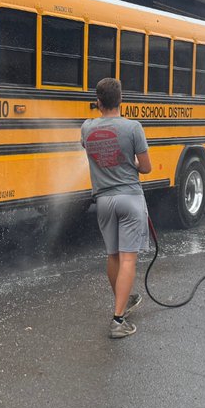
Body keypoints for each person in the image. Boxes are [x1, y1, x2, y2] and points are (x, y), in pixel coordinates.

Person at [81, 77, 152, 339]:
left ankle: (124, 302)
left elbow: (92, 150)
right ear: (121, 100)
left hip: (103, 201)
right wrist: (130, 161)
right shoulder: (133, 127)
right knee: (129, 258)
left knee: (113, 256)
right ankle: (118, 320)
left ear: (97, 102)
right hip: (129, 198)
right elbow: (146, 168)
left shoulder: (86, 127)